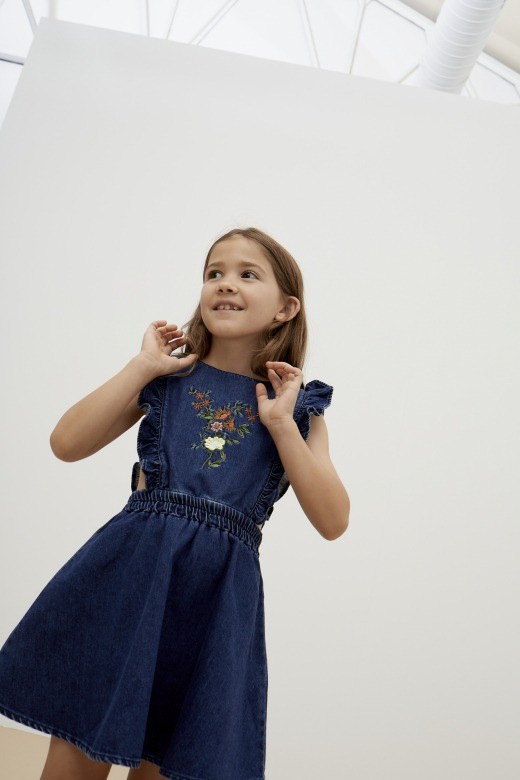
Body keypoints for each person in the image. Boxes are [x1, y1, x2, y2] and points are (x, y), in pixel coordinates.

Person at [0, 226, 350, 780]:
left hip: (213, 610)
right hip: (127, 584)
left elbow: (333, 520)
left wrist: (282, 425)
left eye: (247, 274)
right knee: (77, 756)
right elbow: (66, 443)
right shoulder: (168, 379)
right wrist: (143, 366)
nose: (225, 283)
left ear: (286, 308)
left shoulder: (297, 410)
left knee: (172, 756)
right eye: (214, 273)